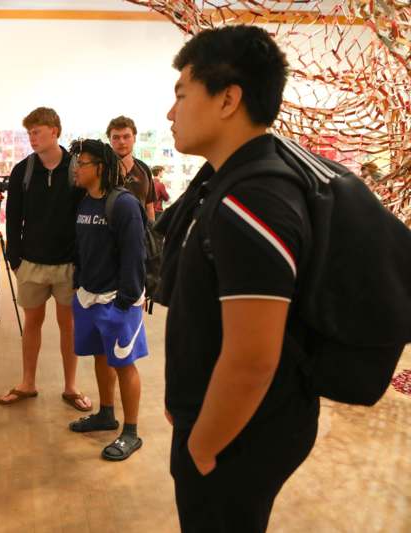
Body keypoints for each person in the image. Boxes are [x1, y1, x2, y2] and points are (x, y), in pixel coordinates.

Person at [160, 26, 320, 532]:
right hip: (231, 422)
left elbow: (252, 359)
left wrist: (203, 444)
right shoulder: (234, 183)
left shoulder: (251, 202)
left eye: (181, 95)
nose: (170, 113)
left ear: (228, 99)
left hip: (239, 436)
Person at [0, 107, 92, 412]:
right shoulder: (22, 171)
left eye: (37, 131)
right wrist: (15, 259)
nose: (32, 138)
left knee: (69, 325)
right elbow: (13, 217)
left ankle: (71, 387)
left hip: (67, 265)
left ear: (54, 131)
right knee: (32, 323)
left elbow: (84, 216)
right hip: (31, 263)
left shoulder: (76, 169)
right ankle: (27, 383)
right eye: (29, 132)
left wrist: (80, 261)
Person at [67, 139, 149, 461]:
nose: (76, 168)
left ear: (99, 168)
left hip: (118, 300)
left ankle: (131, 432)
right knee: (101, 357)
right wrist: (79, 286)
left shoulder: (124, 204)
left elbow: (135, 256)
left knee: (124, 364)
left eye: (82, 163)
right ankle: (106, 414)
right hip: (89, 297)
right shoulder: (85, 202)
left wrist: (125, 303)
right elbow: (82, 248)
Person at [107, 116, 156, 221]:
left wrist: (152, 230)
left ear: (134, 138)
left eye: (126, 136)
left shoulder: (144, 169)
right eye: (116, 137)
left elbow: (149, 207)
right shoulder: (101, 168)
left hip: (139, 229)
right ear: (109, 140)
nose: (121, 142)